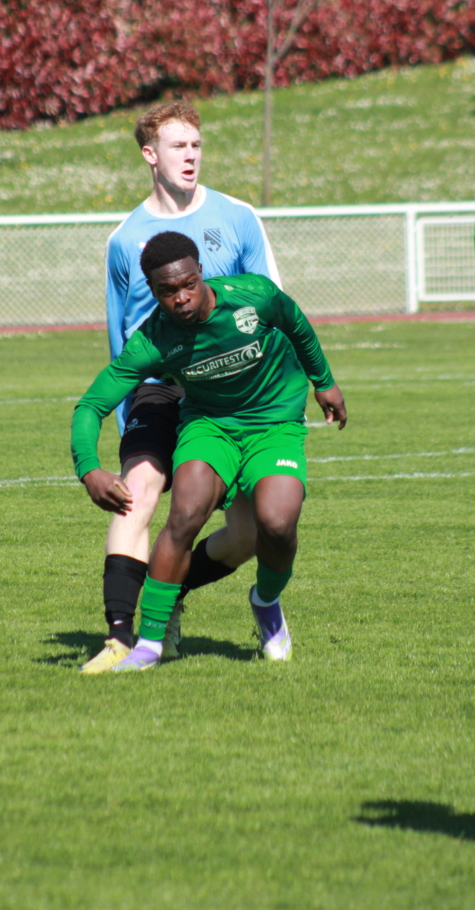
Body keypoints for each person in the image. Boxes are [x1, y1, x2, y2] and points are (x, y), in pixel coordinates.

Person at [72, 230, 347, 672]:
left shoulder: (253, 296)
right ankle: (149, 644)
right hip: (209, 425)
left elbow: (296, 322)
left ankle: (266, 601)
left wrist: (324, 382)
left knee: (277, 525)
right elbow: (90, 405)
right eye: (168, 291)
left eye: (188, 284)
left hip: (273, 423)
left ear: (201, 272)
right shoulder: (153, 340)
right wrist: (89, 469)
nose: (181, 297)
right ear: (153, 291)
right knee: (185, 513)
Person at [80, 99, 280, 674]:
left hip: (230, 391)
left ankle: (170, 592)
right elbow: (121, 333)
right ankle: (120, 637)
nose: (191, 156)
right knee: (137, 492)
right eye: (178, 146)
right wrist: (129, 417)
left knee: (247, 535)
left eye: (196, 145)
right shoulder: (125, 240)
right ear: (151, 155)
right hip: (159, 388)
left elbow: (273, 305)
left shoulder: (237, 216)